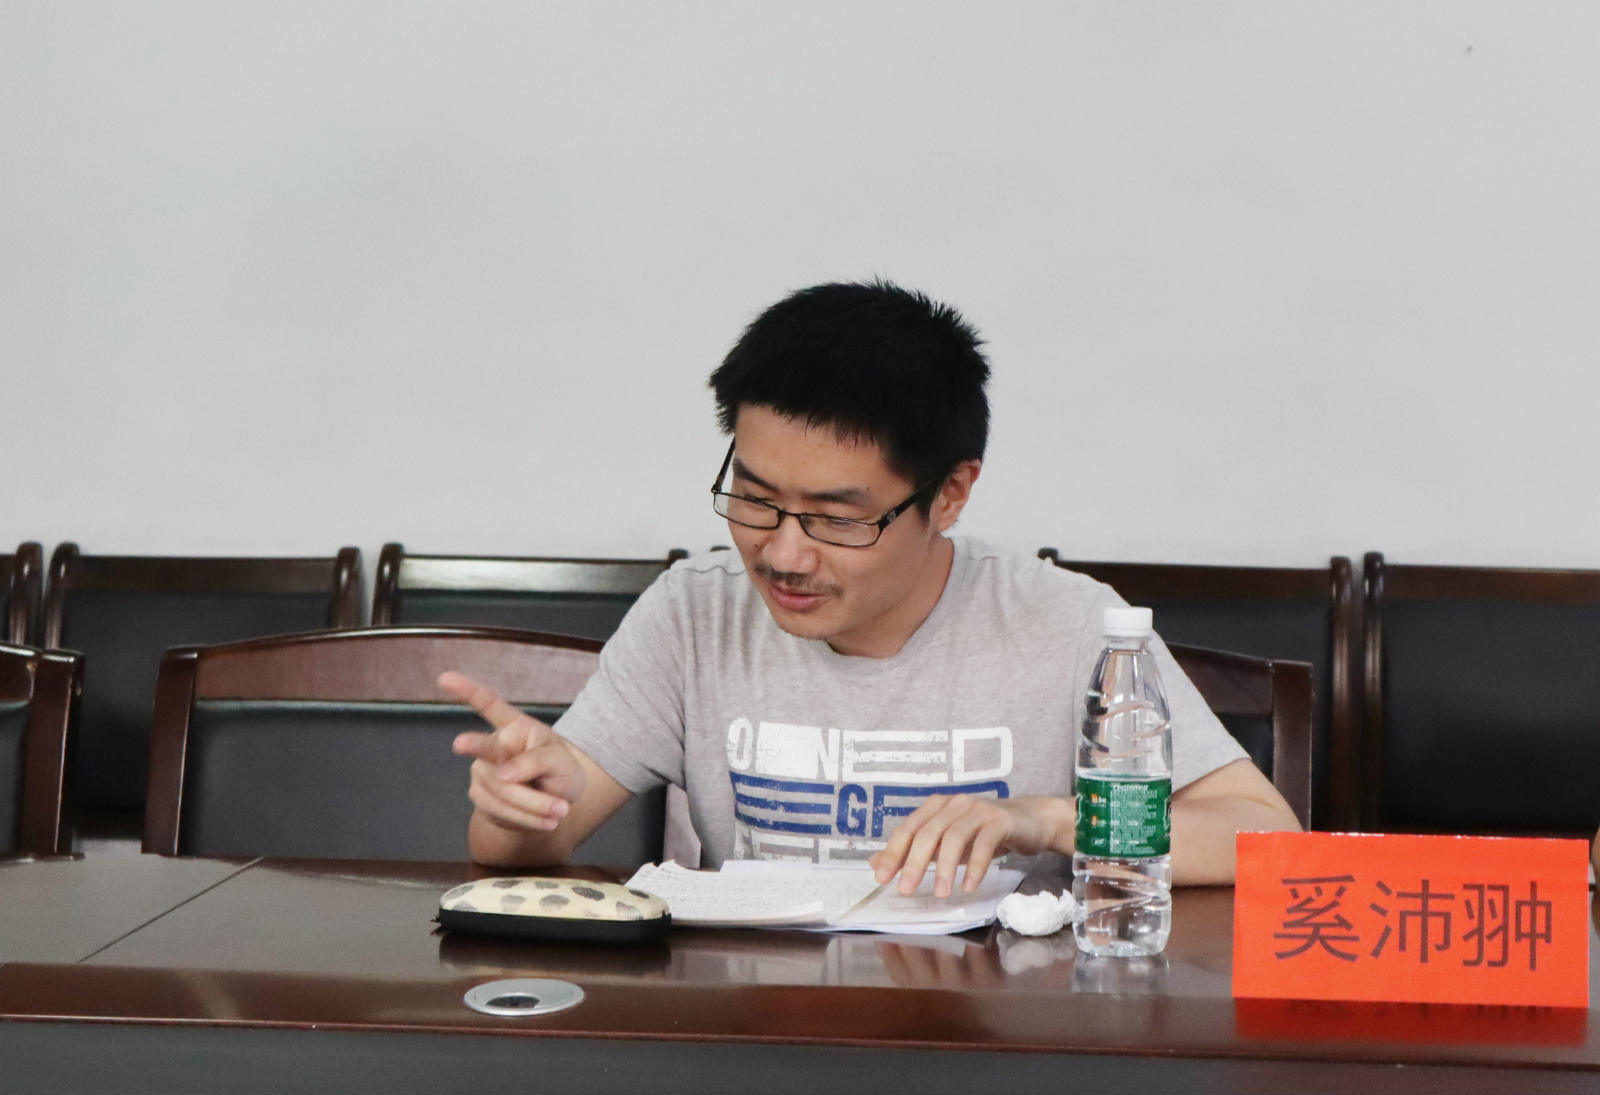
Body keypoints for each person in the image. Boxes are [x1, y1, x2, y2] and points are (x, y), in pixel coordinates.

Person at [443, 280, 1300, 896]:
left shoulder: (1068, 624)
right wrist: (521, 807)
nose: (783, 553)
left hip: (993, 1045)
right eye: (755, 498)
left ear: (950, 494)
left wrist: (1043, 820)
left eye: (835, 516)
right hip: (752, 1040)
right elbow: (517, 848)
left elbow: (1264, 836)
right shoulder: (694, 614)